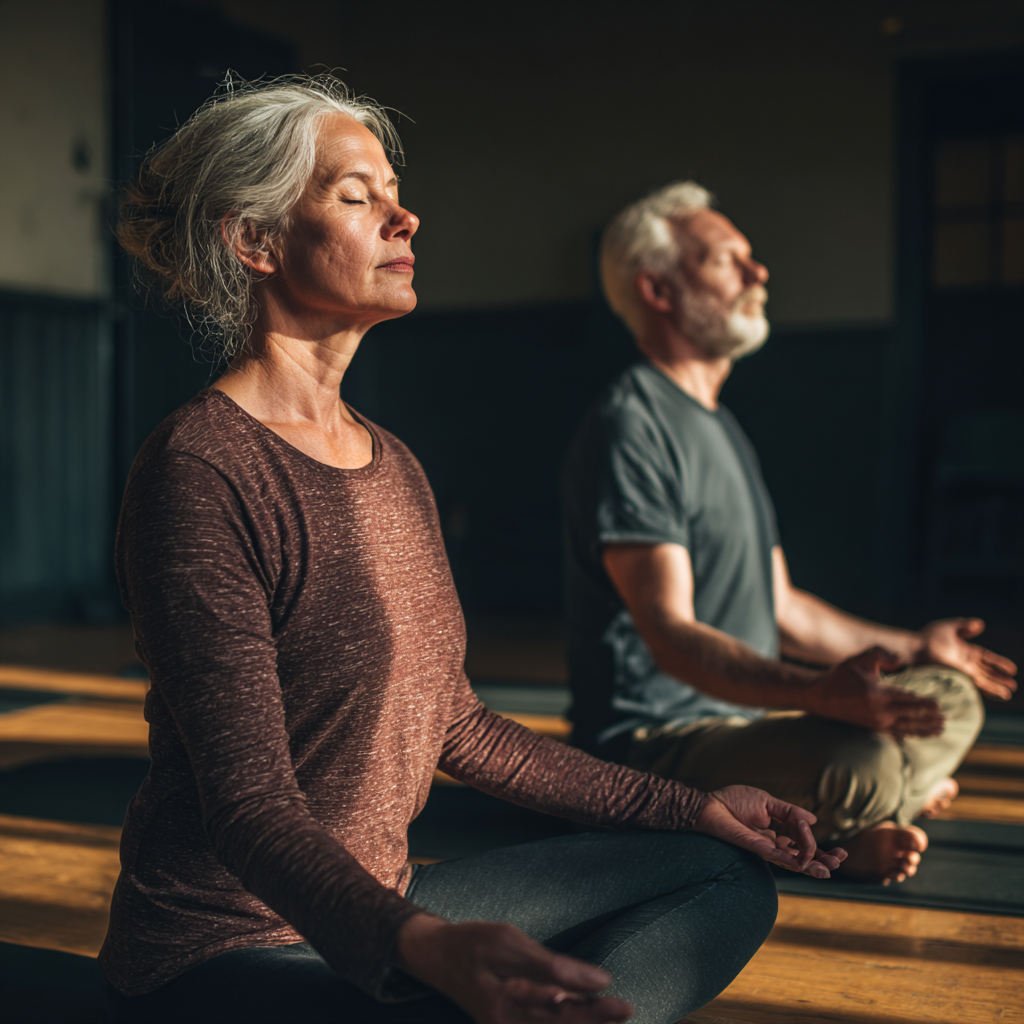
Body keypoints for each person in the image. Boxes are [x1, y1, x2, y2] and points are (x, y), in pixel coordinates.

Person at [100, 78, 844, 1024]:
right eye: (356, 195)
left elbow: (462, 728)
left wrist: (689, 805)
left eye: (395, 190)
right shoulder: (201, 468)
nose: (405, 216)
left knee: (720, 870)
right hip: (219, 954)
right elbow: (248, 809)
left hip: (382, 912)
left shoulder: (394, 464)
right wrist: (421, 949)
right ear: (255, 241)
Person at [562, 181, 1018, 888]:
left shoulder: (722, 428)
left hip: (750, 727)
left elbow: (784, 608)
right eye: (727, 260)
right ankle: (864, 809)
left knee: (949, 696)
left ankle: (852, 814)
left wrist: (916, 648)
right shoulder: (633, 424)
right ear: (659, 290)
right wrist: (817, 696)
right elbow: (669, 635)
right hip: (654, 746)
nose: (758, 273)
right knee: (857, 760)